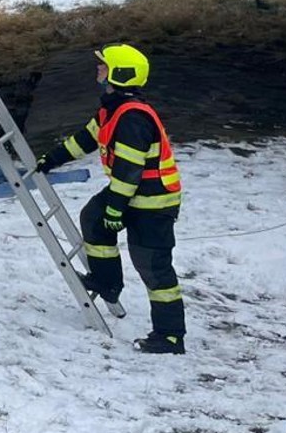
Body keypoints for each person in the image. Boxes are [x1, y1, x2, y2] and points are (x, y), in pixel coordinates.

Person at [34, 44, 186, 354]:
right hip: (131, 193)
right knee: (94, 218)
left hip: (153, 202)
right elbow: (86, 139)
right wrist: (52, 159)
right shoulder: (112, 109)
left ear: (120, 74)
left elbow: (130, 170)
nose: (98, 70)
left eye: (103, 66)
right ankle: (107, 283)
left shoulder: (132, 118)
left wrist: (116, 209)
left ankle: (170, 335)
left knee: (153, 266)